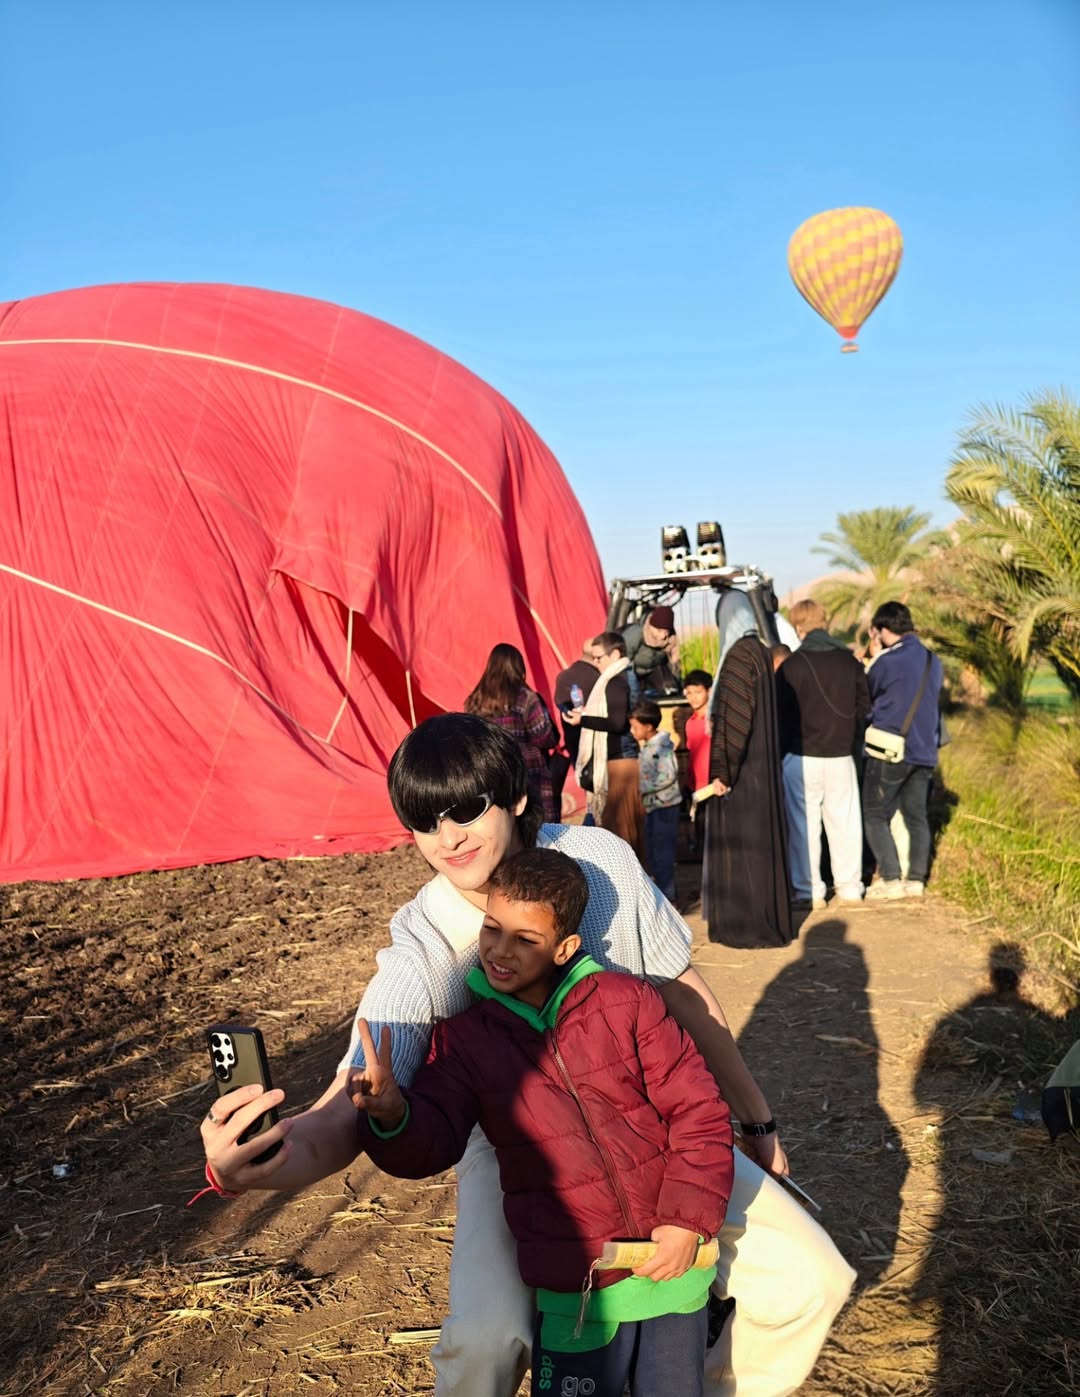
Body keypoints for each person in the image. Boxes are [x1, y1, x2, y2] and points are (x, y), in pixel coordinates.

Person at [198, 713, 855, 1397]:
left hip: (646, 1124)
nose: (448, 837)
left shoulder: (600, 863)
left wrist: (755, 1121)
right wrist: (251, 1164)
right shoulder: (426, 946)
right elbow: (347, 1106)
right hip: (518, 1144)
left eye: (466, 809)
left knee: (811, 1280)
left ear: (514, 795)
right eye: (425, 820)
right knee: (484, 1345)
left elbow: (684, 993)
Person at [351, 847, 734, 1397]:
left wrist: (686, 1221)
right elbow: (433, 1139)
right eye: (491, 928)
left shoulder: (628, 1003)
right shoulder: (466, 1040)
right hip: (573, 1290)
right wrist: (392, 1115)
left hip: (670, 1272)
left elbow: (697, 1111)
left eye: (525, 940)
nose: (499, 952)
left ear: (565, 948)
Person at [703, 598, 794, 948]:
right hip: (760, 769)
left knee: (744, 852)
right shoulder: (760, 651)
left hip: (743, 774)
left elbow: (737, 720)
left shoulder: (740, 656)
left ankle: (746, 927)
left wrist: (723, 772)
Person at [776, 600, 871, 910]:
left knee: (804, 826)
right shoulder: (850, 663)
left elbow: (781, 716)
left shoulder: (791, 666)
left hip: (800, 756)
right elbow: (863, 710)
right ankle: (850, 888)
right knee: (845, 824)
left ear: (799, 627)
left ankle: (809, 891)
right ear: (824, 623)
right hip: (841, 756)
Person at [862, 601, 943, 901]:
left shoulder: (886, 661)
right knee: (916, 816)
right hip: (924, 751)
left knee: (874, 814)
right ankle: (916, 880)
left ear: (882, 630)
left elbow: (866, 696)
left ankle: (892, 878)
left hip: (889, 751)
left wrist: (872, 657)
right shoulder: (933, 660)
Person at [564, 632, 645, 859]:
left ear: (615, 654)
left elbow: (617, 722)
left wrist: (584, 720)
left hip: (619, 762)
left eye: (599, 658)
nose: (596, 663)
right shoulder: (622, 676)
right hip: (622, 759)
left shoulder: (616, 680)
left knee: (620, 831)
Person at [465, 642, 558, 821]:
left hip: (492, 774)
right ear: (519, 667)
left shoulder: (475, 700)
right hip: (529, 773)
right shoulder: (525, 697)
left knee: (505, 831)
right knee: (540, 832)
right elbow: (543, 737)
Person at [630, 699, 682, 902]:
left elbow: (669, 775)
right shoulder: (650, 747)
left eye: (635, 727)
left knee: (662, 856)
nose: (632, 731)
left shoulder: (659, 749)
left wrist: (644, 788)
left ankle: (669, 900)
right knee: (654, 853)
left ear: (648, 726)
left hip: (665, 807)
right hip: (655, 807)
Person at [550, 641, 600, 814]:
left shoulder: (564, 676)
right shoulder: (600, 677)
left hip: (575, 743)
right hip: (598, 741)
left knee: (589, 790)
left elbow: (561, 706)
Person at [621, 605, 682, 696]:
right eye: (659, 631)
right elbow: (622, 662)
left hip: (655, 670)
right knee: (633, 693)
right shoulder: (635, 634)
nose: (663, 636)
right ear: (651, 626)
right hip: (632, 671)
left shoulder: (671, 639)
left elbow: (674, 664)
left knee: (671, 690)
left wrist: (677, 684)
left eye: (666, 632)